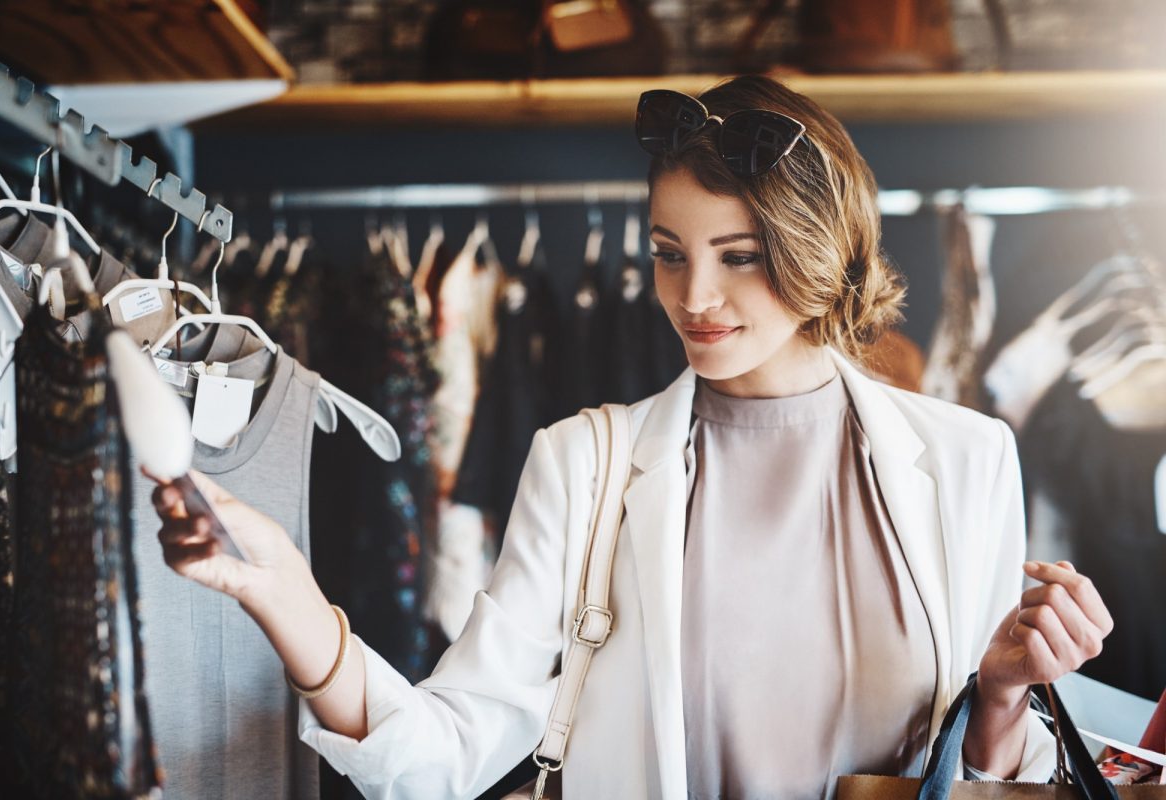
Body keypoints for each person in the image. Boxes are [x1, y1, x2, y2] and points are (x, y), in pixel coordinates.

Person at [147, 76, 1114, 800]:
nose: (693, 298)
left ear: (820, 254)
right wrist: (287, 595)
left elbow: (994, 779)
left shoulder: (965, 460)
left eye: (739, 258)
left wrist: (1000, 697)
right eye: (667, 253)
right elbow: (440, 758)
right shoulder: (585, 465)